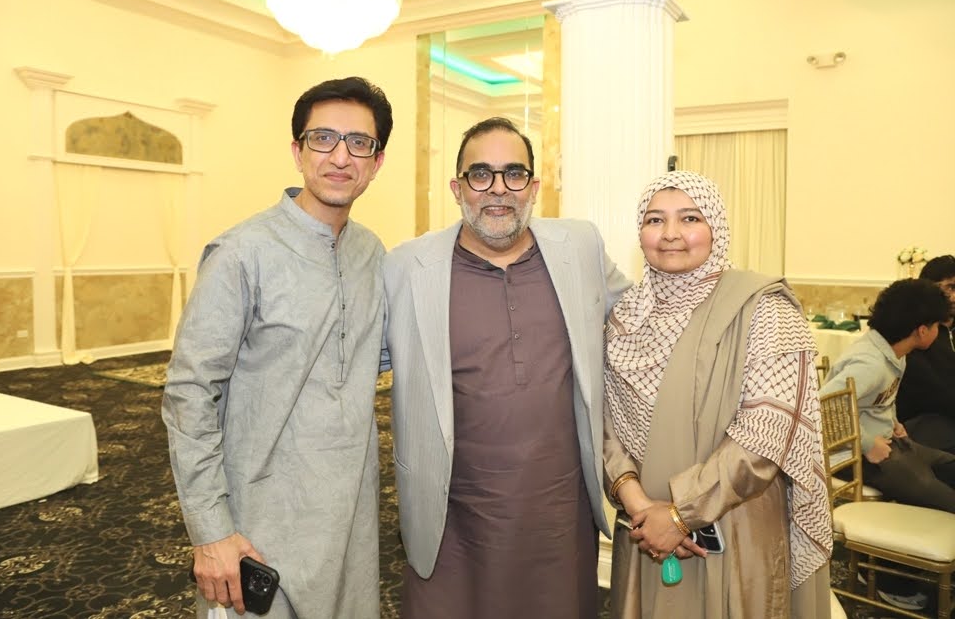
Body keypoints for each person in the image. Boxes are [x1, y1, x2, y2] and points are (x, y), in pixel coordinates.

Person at [382, 117, 631, 619]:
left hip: (558, 512)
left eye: (514, 173)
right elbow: (351, 364)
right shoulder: (406, 267)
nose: (498, 189)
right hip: (451, 516)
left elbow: (643, 323)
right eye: (480, 174)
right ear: (457, 188)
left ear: (534, 187)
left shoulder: (580, 247)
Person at [162, 76, 392, 619]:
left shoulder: (371, 253)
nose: (341, 156)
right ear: (297, 151)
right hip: (259, 524)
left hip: (350, 522)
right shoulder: (243, 252)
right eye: (323, 139)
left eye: (359, 143)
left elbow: (385, 357)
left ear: (377, 162)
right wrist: (210, 531)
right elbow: (189, 393)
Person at [603, 171, 833, 618]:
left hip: (733, 522)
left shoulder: (765, 308)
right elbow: (605, 426)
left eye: (690, 218)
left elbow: (767, 433)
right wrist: (640, 505)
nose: (670, 233)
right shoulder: (625, 318)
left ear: (717, 229)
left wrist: (680, 515)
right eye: (654, 220)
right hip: (644, 530)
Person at [820, 278, 955, 513]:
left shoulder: (895, 352)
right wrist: (867, 444)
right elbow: (822, 407)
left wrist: (892, 421)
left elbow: (880, 399)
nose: (938, 331)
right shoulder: (870, 364)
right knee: (939, 495)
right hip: (853, 454)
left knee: (947, 466)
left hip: (886, 441)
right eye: (936, 326)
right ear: (922, 331)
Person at [897, 255, 955, 453]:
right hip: (919, 422)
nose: (954, 296)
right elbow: (936, 393)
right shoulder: (916, 334)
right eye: (950, 288)